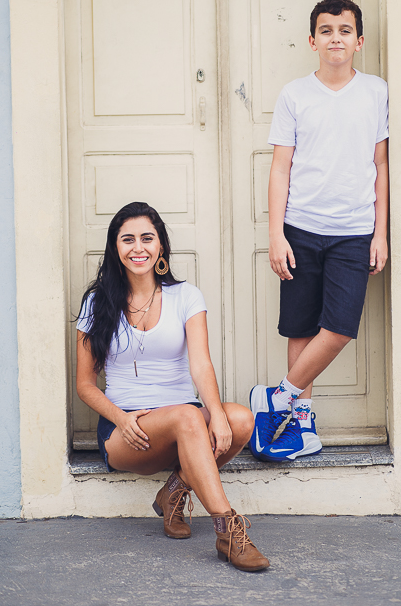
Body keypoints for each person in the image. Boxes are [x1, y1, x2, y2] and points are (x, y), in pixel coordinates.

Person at [76, 201, 269, 572]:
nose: (138, 248)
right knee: (188, 417)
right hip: (126, 428)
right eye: (128, 239)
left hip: (185, 418)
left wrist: (217, 415)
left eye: (147, 238)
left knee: (241, 419)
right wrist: (121, 418)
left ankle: (173, 493)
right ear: (115, 247)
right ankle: (228, 531)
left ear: (160, 245)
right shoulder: (97, 302)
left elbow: (201, 364)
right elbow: (85, 384)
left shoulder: (186, 296)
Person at [249, 0, 389, 461]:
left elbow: (381, 165)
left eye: (344, 30)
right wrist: (276, 235)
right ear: (313, 41)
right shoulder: (295, 95)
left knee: (340, 327)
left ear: (359, 41)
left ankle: (278, 398)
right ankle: (299, 424)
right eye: (326, 30)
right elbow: (280, 168)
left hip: (354, 230)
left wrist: (380, 233)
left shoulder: (375, 92)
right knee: (301, 326)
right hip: (301, 228)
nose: (336, 38)